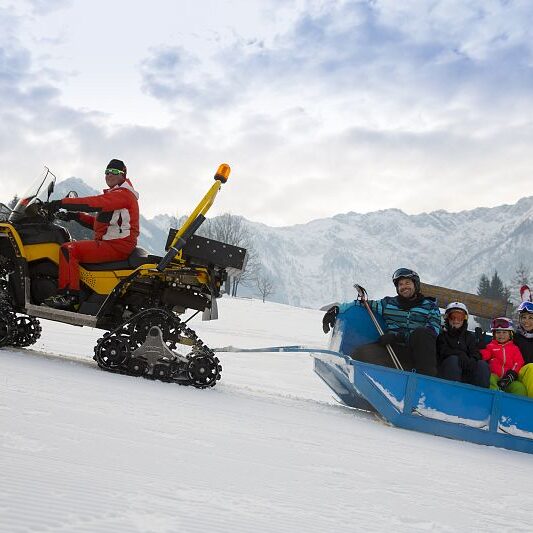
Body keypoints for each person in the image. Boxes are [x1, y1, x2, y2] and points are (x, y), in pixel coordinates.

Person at [43, 159, 139, 310]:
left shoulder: (123, 194)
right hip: (114, 243)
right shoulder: (118, 195)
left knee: (69, 249)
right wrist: (75, 216)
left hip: (116, 246)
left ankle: (69, 296)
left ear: (123, 175)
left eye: (114, 172)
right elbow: (100, 225)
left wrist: (61, 203)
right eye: (107, 172)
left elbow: (95, 202)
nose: (109, 175)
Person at [323, 268, 441, 376]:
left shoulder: (430, 306)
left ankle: (425, 382)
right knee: (361, 353)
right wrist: (338, 309)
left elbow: (433, 330)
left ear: (415, 284)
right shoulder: (389, 304)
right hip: (394, 350)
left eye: (407, 283)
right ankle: (364, 387)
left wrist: (399, 337)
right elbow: (364, 303)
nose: (404, 286)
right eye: (400, 284)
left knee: (422, 333)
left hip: (420, 354)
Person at [436, 302, 490, 387]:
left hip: (466, 370)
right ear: (447, 318)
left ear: (464, 319)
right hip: (448, 370)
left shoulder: (469, 337)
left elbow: (475, 352)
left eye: (460, 318)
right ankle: (451, 391)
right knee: (453, 360)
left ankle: (480, 395)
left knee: (482, 365)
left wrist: (473, 359)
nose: (455, 320)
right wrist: (459, 354)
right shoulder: (443, 336)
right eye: (452, 317)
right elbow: (443, 351)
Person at [479, 317, 526, 395]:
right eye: (498, 332)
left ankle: (517, 405)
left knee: (519, 387)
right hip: (495, 376)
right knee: (489, 378)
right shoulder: (491, 346)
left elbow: (519, 361)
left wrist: (511, 374)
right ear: (494, 334)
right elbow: (484, 356)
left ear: (510, 334)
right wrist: (481, 348)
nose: (501, 335)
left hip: (509, 379)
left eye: (504, 332)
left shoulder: (514, 348)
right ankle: (496, 396)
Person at [515, 300, 533, 396]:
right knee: (531, 368)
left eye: (531, 318)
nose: (527, 321)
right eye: (524, 317)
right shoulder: (514, 337)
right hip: (518, 373)